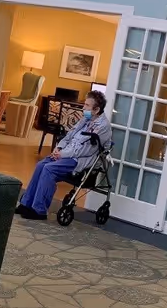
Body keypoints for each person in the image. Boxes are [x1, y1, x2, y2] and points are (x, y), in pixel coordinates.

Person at [19, 89, 113, 220]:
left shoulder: (103, 127)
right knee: (41, 165)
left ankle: (39, 210)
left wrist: (62, 154)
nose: (83, 107)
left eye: (86, 105)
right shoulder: (86, 119)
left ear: (96, 110)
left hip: (79, 159)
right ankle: (26, 204)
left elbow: (85, 150)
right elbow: (69, 136)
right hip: (66, 153)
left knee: (49, 169)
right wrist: (59, 148)